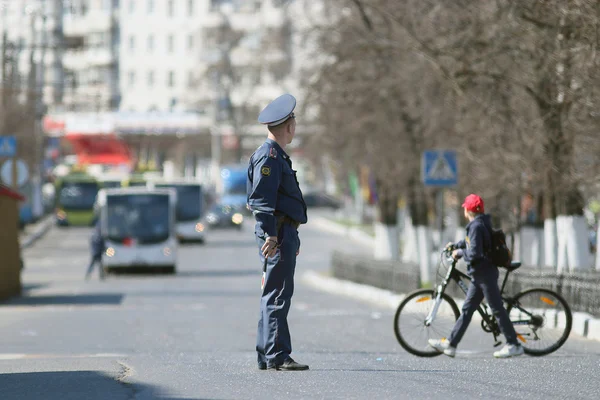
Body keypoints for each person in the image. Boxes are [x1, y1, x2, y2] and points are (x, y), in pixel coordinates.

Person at [247, 93, 308, 371]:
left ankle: (268, 353)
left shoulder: (275, 156)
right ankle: (277, 354)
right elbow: (261, 201)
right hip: (278, 235)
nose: (295, 126)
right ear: (288, 126)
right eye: (294, 121)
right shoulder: (270, 157)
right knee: (278, 293)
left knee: (273, 292)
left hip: (283, 234)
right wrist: (272, 235)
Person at [428, 194, 524, 358]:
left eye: (465, 207)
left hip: (484, 274)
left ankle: (513, 344)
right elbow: (471, 242)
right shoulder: (480, 224)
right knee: (467, 309)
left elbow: (474, 252)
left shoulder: (476, 227)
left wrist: (459, 252)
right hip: (480, 274)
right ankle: (451, 344)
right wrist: (456, 245)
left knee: (497, 309)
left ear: (468, 210)